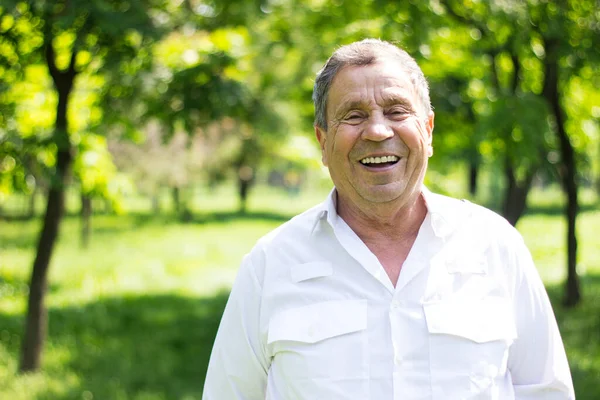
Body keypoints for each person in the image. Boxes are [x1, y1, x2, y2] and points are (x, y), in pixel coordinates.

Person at [202, 38, 575, 399]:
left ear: (427, 131)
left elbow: (546, 391)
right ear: (323, 142)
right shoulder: (271, 263)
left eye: (397, 111)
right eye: (353, 115)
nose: (379, 131)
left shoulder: (495, 245)